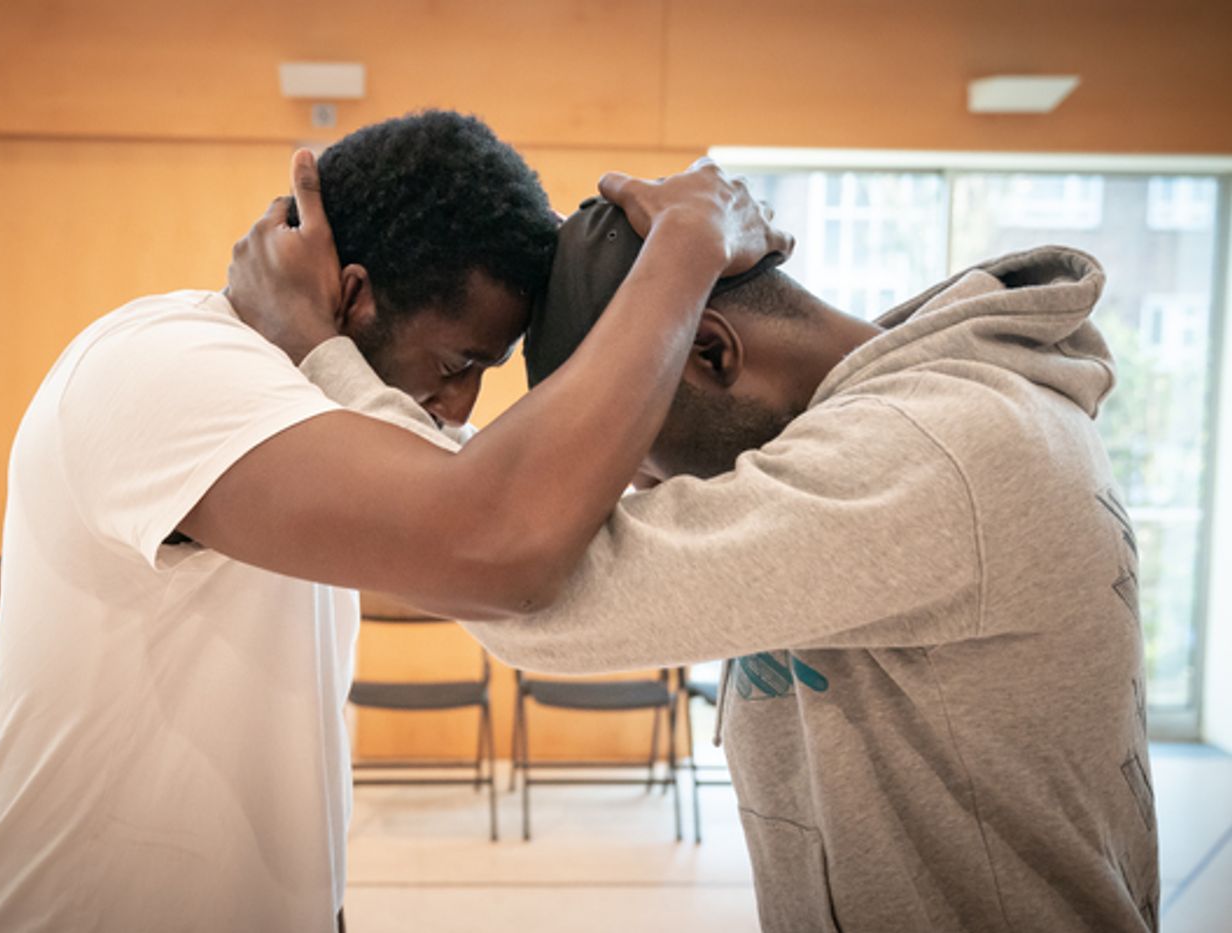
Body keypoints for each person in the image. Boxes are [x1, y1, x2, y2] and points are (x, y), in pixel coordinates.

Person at [0, 111, 790, 933]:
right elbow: (498, 544)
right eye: (458, 364)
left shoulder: (326, 408)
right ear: (351, 297)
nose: (458, 406)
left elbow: (521, 505)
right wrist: (688, 243)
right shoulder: (166, 367)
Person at [247, 197, 1159, 932]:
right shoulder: (891, 431)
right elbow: (503, 519)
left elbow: (519, 585)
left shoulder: (932, 448)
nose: (631, 493)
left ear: (713, 349)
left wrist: (325, 358)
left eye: (635, 459)